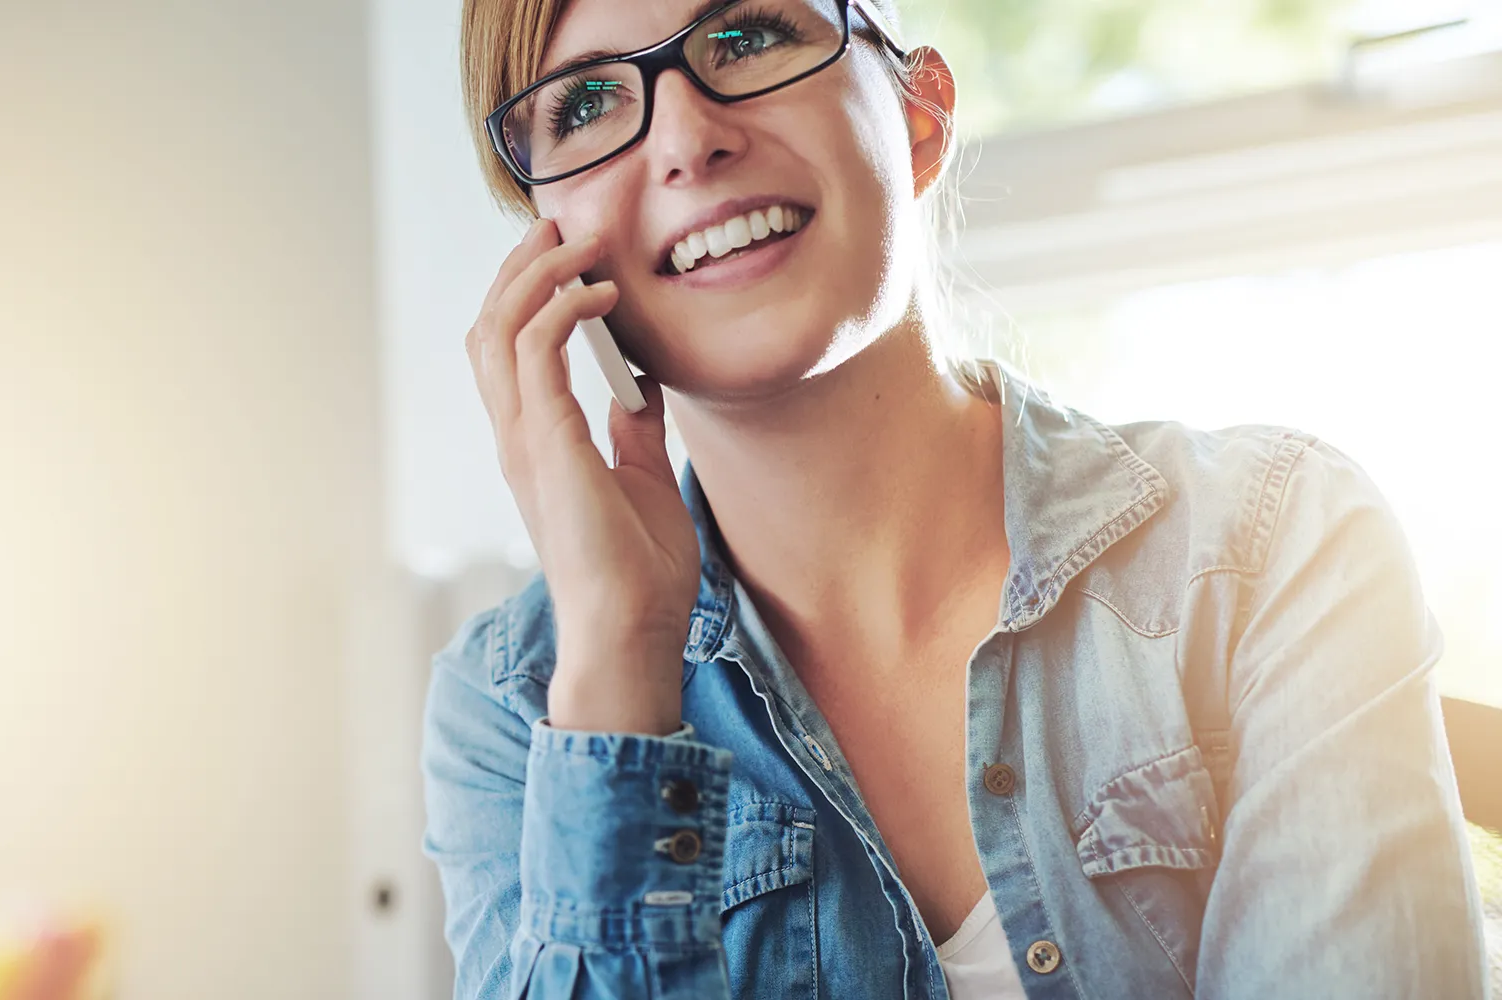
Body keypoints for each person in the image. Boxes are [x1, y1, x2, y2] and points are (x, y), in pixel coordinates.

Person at [418, 0, 1492, 997]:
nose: (685, 138)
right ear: (543, 246)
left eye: (745, 36)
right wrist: (616, 663)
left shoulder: (1276, 544)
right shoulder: (515, 706)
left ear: (919, 117)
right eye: (587, 101)